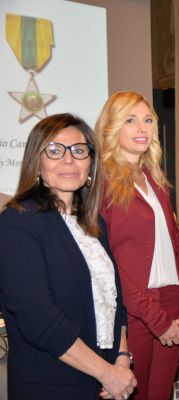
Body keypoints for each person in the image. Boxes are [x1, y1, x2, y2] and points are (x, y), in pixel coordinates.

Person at [0, 114, 136, 400]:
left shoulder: (95, 223)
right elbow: (38, 319)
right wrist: (106, 372)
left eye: (79, 150)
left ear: (90, 162)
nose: (68, 159)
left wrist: (122, 359)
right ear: (36, 161)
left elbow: (113, 303)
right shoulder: (17, 221)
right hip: (52, 385)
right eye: (54, 150)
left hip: (106, 382)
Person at [96, 92, 179, 400]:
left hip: (172, 304)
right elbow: (108, 266)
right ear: (112, 127)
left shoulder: (155, 179)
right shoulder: (100, 184)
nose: (142, 128)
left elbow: (176, 246)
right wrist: (156, 319)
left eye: (148, 120)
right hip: (134, 312)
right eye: (130, 120)